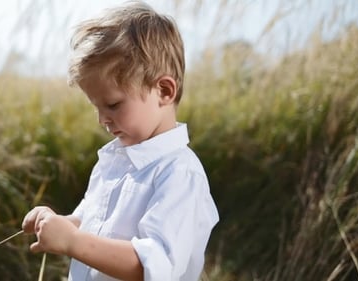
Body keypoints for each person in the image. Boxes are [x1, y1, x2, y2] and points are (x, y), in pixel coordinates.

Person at [22, 1, 219, 280]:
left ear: (164, 90)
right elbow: (89, 225)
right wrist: (57, 224)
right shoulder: (114, 160)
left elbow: (152, 267)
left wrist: (73, 243)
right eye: (96, 107)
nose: (102, 119)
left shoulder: (179, 174)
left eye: (113, 104)